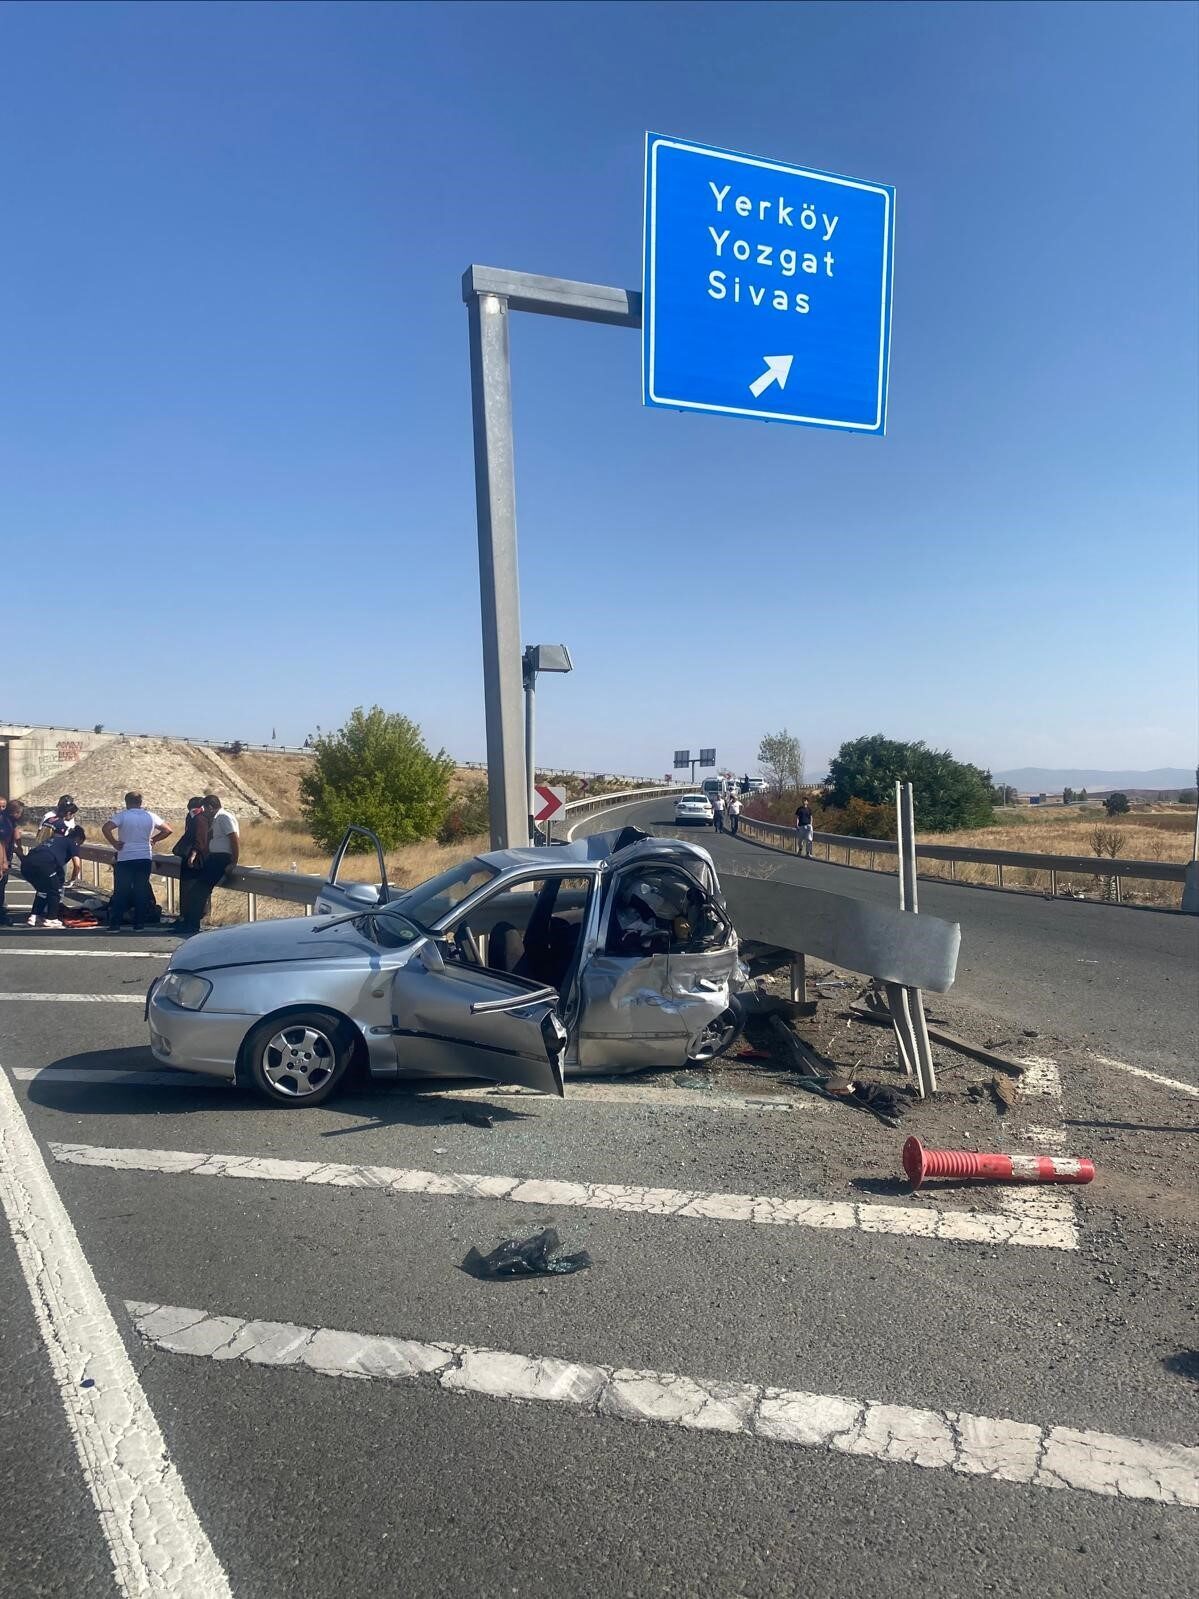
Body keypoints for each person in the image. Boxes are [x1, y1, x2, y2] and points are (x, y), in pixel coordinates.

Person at [103, 792, 172, 931]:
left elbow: (106, 828)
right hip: (144, 856)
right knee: (141, 890)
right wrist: (154, 839)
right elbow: (168, 829)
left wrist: (114, 843)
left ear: (126, 802)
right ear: (140, 802)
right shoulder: (151, 816)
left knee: (121, 890)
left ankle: (115, 924)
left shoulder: (123, 815)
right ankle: (139, 923)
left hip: (126, 857)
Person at [186, 793, 240, 933]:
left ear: (210, 807)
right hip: (215, 857)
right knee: (198, 889)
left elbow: (233, 839)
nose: (204, 811)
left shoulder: (224, 817)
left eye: (205, 808)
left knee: (199, 889)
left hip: (222, 858)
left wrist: (234, 862)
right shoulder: (217, 819)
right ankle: (191, 923)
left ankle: (192, 925)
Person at [21, 824, 85, 928]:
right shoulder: (73, 843)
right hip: (45, 864)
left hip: (27, 864)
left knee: (42, 891)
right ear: (78, 839)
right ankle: (51, 918)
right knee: (55, 890)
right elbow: (77, 866)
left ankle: (34, 916)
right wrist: (72, 880)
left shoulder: (55, 840)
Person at [173, 796, 211, 937]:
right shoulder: (195, 817)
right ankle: (186, 920)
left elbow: (200, 839)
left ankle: (191, 923)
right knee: (187, 890)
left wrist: (194, 853)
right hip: (191, 857)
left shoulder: (200, 819)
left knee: (191, 890)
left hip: (195, 859)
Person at [0, 798, 26, 925]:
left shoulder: (10, 821)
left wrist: (22, 857)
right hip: (1, 859)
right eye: (20, 813)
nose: (21, 816)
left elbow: (16, 840)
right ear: (15, 813)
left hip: (6, 857)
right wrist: (3, 862)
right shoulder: (4, 822)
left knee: (2, 886)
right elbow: (1, 843)